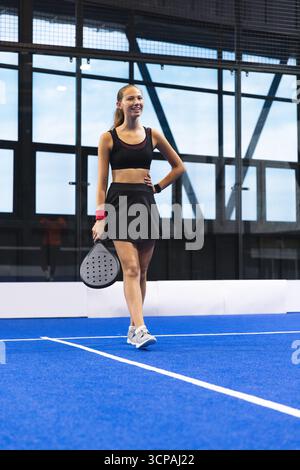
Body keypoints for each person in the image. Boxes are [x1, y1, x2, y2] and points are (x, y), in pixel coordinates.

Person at [92, 84, 186, 348]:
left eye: (140, 98)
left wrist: (157, 187)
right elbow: (100, 183)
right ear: (119, 104)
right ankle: (141, 328)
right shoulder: (108, 137)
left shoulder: (153, 134)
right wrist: (101, 217)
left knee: (142, 272)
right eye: (131, 98)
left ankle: (134, 327)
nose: (137, 102)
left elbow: (179, 167)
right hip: (119, 204)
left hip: (145, 203)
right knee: (131, 269)